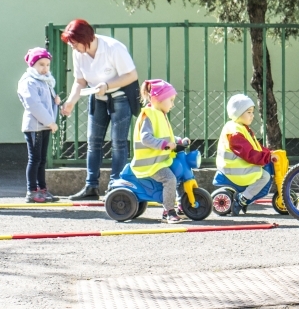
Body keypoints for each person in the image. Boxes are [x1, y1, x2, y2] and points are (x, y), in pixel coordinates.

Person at [59, 19, 139, 200]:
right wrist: (71, 102)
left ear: (86, 38)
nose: (73, 47)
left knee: (118, 143)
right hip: (98, 98)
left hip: (120, 97)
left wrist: (107, 84)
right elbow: (80, 81)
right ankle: (91, 186)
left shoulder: (113, 48)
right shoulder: (79, 53)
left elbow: (131, 75)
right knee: (93, 142)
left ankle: (116, 186)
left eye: (75, 43)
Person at [131, 79, 188, 224]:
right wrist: (164, 145)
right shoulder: (149, 115)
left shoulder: (160, 114)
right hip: (150, 164)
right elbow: (146, 138)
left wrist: (178, 141)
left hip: (159, 160)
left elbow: (165, 136)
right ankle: (168, 211)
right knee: (170, 179)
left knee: (177, 175)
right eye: (170, 100)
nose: (172, 104)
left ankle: (181, 206)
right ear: (158, 98)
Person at [217, 94, 275, 216]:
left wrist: (268, 153)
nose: (252, 115)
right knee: (264, 176)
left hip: (238, 165)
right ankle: (242, 199)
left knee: (263, 172)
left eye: (252, 112)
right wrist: (266, 158)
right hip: (233, 168)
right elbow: (248, 153)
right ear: (238, 113)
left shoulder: (241, 128)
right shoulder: (235, 132)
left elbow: (255, 147)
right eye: (248, 112)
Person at [17, 47, 61, 203]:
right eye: (41, 64)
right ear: (32, 65)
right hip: (34, 126)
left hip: (45, 126)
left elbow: (47, 102)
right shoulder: (29, 82)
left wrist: (56, 101)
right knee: (34, 159)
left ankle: (42, 190)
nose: (45, 68)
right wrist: (50, 122)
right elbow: (34, 105)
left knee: (42, 159)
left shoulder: (46, 81)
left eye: (47, 64)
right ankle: (31, 191)